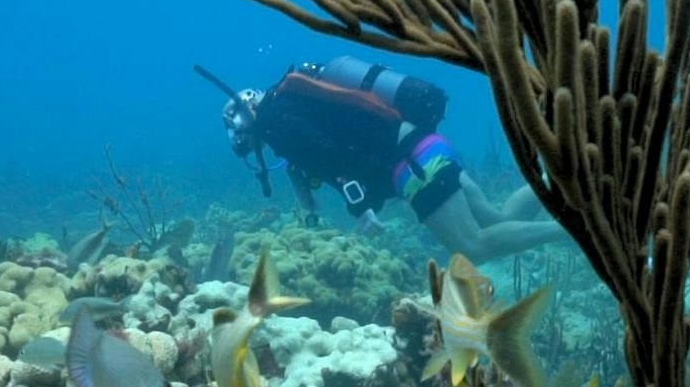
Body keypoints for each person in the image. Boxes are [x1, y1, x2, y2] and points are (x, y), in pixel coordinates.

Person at [211, 57, 566, 265]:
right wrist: (309, 206)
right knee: (498, 218)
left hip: (411, 165)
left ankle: (577, 232)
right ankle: (566, 173)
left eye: (236, 130)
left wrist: (360, 206)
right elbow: (309, 158)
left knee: (471, 246)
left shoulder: (275, 123)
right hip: (425, 145)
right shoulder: (289, 106)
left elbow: (327, 154)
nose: (238, 139)